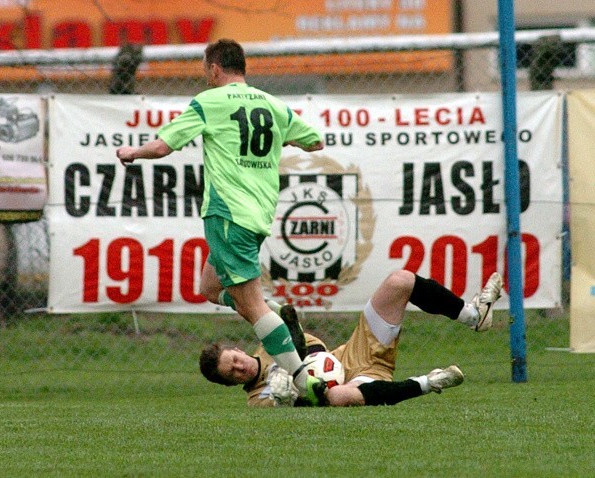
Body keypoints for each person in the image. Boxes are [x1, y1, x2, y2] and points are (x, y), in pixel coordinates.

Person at [116, 39, 326, 404]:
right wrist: (275, 143)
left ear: (214, 69)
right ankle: (279, 313)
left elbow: (164, 146)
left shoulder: (209, 101)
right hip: (258, 215)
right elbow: (314, 142)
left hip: (228, 213)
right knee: (209, 288)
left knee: (251, 306)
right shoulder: (272, 105)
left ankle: (301, 377)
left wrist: (132, 152)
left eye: (205, 70)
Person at [199, 270, 504, 407]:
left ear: (237, 349)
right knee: (339, 398)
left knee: (399, 281)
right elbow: (291, 405)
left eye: (235, 360)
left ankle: (474, 316)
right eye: (233, 373)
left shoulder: (271, 341)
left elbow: (312, 346)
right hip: (348, 384)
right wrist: (292, 395)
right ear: (232, 384)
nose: (240, 367)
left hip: (354, 355)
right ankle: (430, 382)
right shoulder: (257, 399)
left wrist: (290, 366)